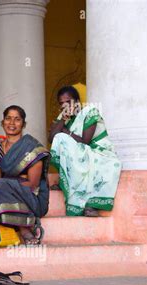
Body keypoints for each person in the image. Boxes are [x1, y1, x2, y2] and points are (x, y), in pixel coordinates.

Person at [48, 86, 122, 217]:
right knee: (60, 138)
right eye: (61, 103)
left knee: (62, 137)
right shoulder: (63, 117)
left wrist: (65, 131)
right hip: (80, 153)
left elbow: (84, 141)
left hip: (97, 151)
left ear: (76, 102)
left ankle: (91, 204)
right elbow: (51, 138)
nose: (65, 105)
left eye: (68, 101)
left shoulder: (89, 112)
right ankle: (66, 180)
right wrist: (63, 120)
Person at [0, 105, 50, 245]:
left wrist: (9, 185)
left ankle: (24, 229)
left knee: (0, 185)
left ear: (23, 124)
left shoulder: (32, 148)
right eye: (8, 119)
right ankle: (24, 228)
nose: (12, 123)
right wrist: (8, 185)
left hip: (31, 197)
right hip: (4, 193)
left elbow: (33, 184)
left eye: (17, 119)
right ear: (2, 122)